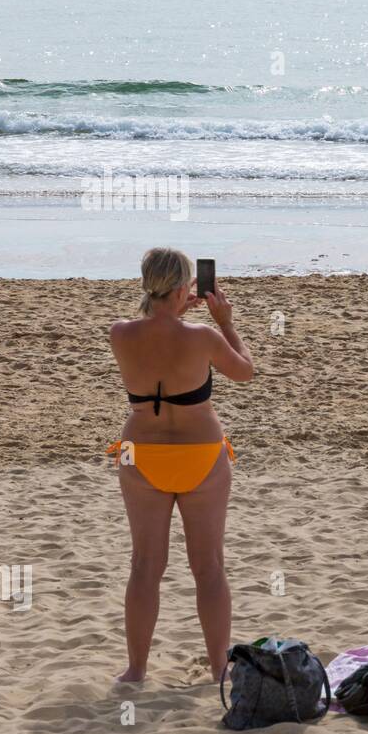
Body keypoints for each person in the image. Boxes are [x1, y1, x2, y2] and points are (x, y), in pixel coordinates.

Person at [107, 248, 254, 683]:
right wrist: (224, 322)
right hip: (200, 455)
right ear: (185, 288)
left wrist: (172, 307)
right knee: (208, 566)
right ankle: (216, 670)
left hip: (142, 455)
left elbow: (154, 330)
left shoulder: (120, 333)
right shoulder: (203, 337)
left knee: (144, 566)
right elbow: (245, 371)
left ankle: (136, 670)